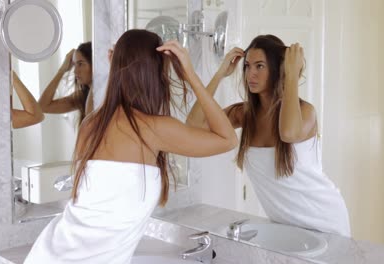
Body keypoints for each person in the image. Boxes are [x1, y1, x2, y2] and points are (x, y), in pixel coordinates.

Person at [24, 29, 237, 264]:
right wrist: (190, 75)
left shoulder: (91, 123)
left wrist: (117, 68)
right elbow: (227, 138)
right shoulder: (153, 128)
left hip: (48, 252)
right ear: (157, 73)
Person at [186, 35, 350, 237]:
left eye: (259, 66)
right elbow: (194, 125)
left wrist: (290, 75)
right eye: (247, 66)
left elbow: (288, 134)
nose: (250, 74)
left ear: (276, 69)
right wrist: (220, 74)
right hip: (285, 228)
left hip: (325, 221)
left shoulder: (305, 112)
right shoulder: (245, 114)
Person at [39, 42, 93, 126]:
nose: (75, 71)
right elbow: (42, 106)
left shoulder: (111, 94)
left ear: (95, 64)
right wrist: (62, 70)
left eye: (80, 64)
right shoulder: (81, 96)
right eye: (74, 65)